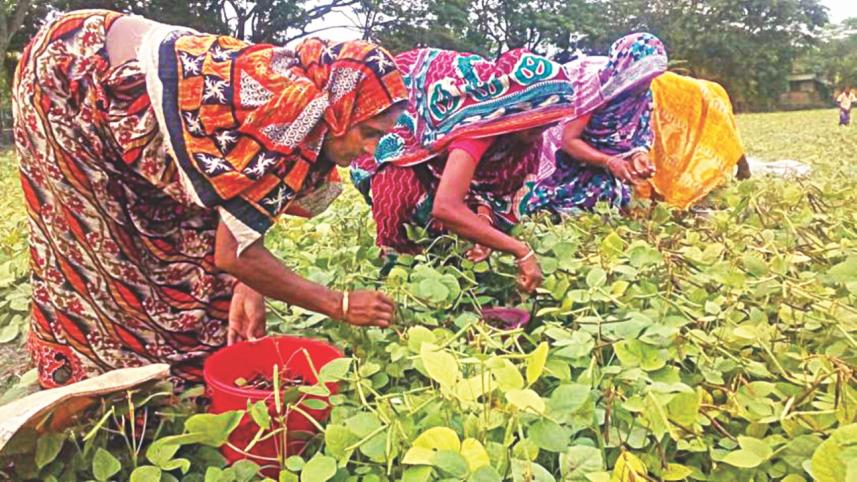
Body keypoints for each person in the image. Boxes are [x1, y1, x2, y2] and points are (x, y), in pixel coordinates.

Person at [13, 10, 407, 388]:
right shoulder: (288, 111)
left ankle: (178, 363)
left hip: (139, 82)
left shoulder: (313, 120)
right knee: (101, 243)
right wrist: (337, 304)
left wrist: (248, 284)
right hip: (70, 73)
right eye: (370, 133)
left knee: (193, 243)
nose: (372, 151)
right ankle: (91, 377)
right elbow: (234, 255)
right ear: (338, 112)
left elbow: (237, 187)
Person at [351, 46, 590, 293]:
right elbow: (445, 207)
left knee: (464, 219)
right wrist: (521, 251)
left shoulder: (525, 134)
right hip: (404, 135)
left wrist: (484, 221)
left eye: (549, 122)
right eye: (538, 119)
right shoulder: (480, 123)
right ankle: (398, 273)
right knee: (398, 186)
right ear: (520, 105)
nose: (539, 132)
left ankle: (444, 260)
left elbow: (489, 185)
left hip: (443, 156)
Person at [519, 33, 668, 215]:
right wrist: (610, 161)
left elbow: (638, 133)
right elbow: (568, 141)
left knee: (607, 195)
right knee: (540, 204)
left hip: (594, 162)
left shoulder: (641, 96)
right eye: (643, 78)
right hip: (562, 158)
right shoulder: (592, 88)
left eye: (652, 77)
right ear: (627, 70)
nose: (646, 84)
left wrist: (638, 154)